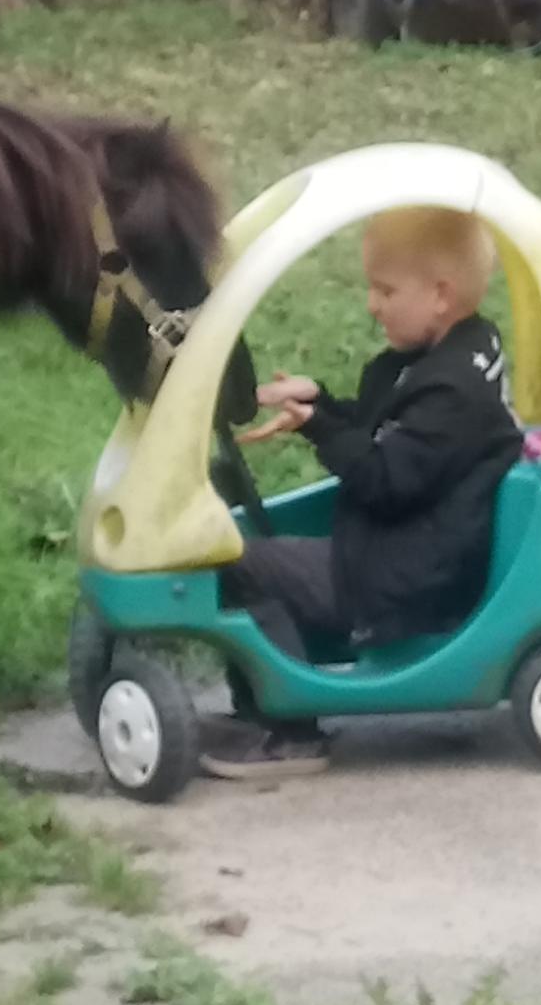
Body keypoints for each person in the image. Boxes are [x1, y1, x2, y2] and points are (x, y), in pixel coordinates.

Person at [200, 206, 524, 782]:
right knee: (269, 552)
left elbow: (382, 478)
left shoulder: (451, 394)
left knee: (240, 564)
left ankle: (288, 727)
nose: (372, 304)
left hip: (401, 579)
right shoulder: (457, 354)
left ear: (440, 296)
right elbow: (388, 436)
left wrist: (320, 427)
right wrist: (319, 404)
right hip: (410, 551)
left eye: (385, 290)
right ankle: (282, 698)